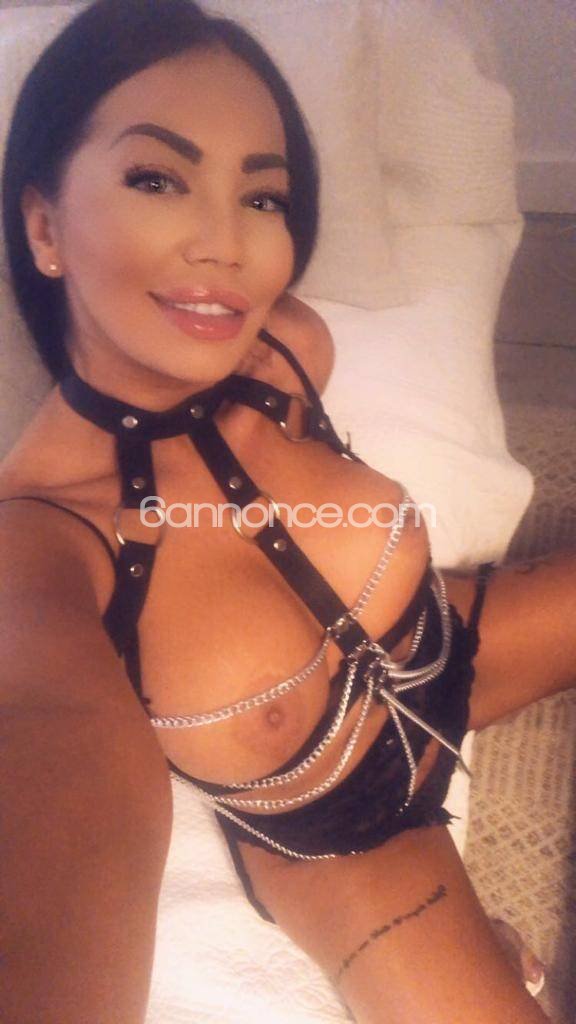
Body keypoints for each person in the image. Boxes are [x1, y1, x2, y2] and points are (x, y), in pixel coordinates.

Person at [0, 0, 569, 1020]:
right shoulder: (37, 547)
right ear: (44, 226)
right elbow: (48, 768)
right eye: (157, 179)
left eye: (262, 197)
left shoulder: (286, 352)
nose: (229, 245)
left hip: (442, 646)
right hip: (359, 843)